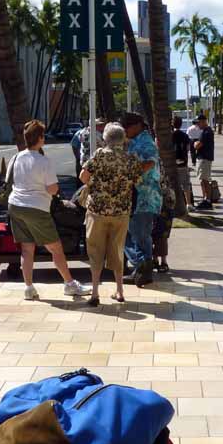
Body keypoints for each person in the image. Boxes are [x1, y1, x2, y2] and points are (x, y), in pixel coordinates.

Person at [7, 119, 90, 301]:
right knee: (56, 248)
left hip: (15, 205)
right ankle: (69, 284)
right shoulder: (44, 161)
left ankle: (29, 288)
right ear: (40, 138)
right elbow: (53, 189)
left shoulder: (17, 157)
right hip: (36, 207)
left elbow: (10, 180)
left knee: (27, 250)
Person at [79, 122, 142, 306]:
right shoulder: (130, 158)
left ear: (105, 138)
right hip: (121, 211)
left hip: (97, 210)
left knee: (95, 251)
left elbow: (83, 176)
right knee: (118, 250)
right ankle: (120, 291)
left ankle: (95, 293)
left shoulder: (99, 155)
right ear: (123, 139)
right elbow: (137, 180)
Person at [120, 113, 161, 286]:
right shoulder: (135, 141)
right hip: (136, 196)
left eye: (127, 126)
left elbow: (149, 162)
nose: (125, 130)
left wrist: (129, 175)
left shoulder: (146, 142)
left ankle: (144, 267)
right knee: (133, 235)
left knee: (140, 235)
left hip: (145, 197)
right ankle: (141, 268)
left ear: (137, 125)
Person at [194, 113, 215, 210]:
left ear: (203, 122)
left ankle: (207, 200)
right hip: (204, 158)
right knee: (203, 180)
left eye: (198, 123)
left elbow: (198, 145)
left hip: (204, 158)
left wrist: (195, 144)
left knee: (204, 180)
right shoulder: (206, 131)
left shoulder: (206, 132)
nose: (197, 125)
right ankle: (205, 199)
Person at [172, 115, 193, 208]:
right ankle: (188, 203)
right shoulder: (185, 135)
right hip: (183, 163)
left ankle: (174, 204)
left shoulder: (169, 135)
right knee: (186, 184)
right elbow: (188, 148)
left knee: (173, 185)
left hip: (171, 163)